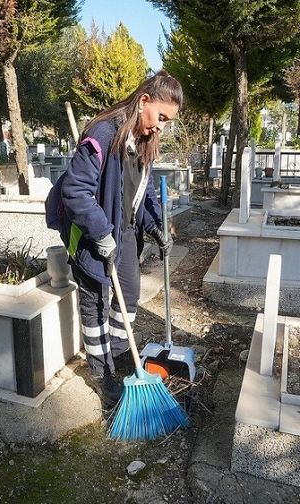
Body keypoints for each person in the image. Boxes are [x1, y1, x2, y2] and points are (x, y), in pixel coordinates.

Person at [45, 70, 182, 405]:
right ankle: (101, 373)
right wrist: (101, 233)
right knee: (94, 303)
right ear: (144, 101)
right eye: (161, 117)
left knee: (128, 296)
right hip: (89, 232)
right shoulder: (103, 133)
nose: (161, 127)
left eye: (167, 121)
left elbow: (144, 193)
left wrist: (156, 226)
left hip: (124, 231)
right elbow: (76, 191)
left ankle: (119, 355)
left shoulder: (144, 142)